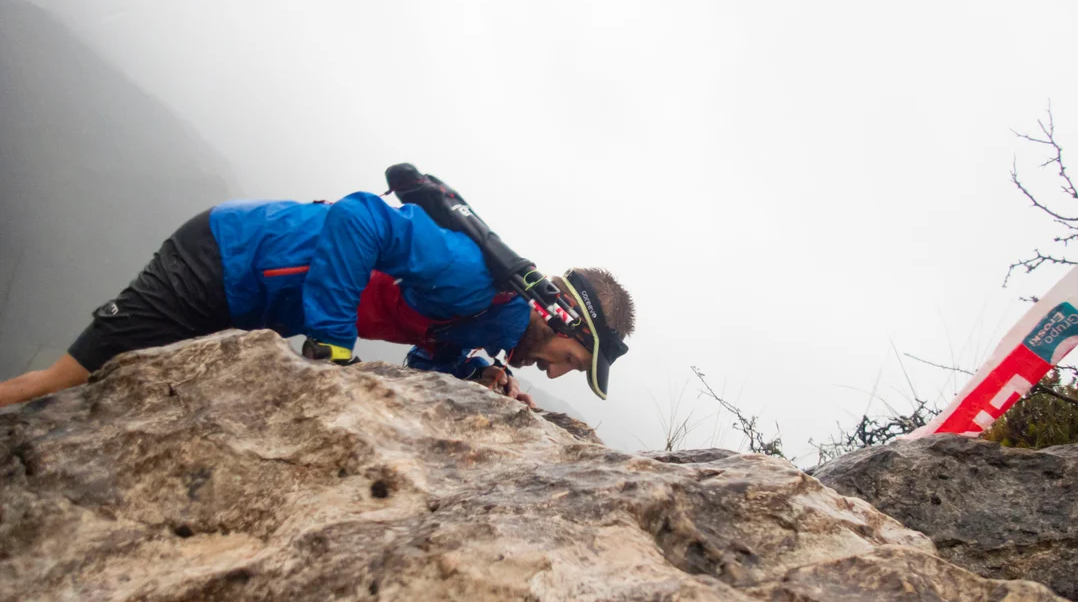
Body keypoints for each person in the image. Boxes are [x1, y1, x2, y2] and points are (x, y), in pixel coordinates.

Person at [0, 177, 635, 409]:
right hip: (228, 256)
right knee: (62, 383)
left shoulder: (497, 324)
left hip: (253, 307)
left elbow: (427, 355)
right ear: (559, 318)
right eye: (568, 359)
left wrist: (476, 376)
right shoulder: (476, 274)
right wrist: (330, 346)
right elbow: (360, 217)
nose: (554, 371)